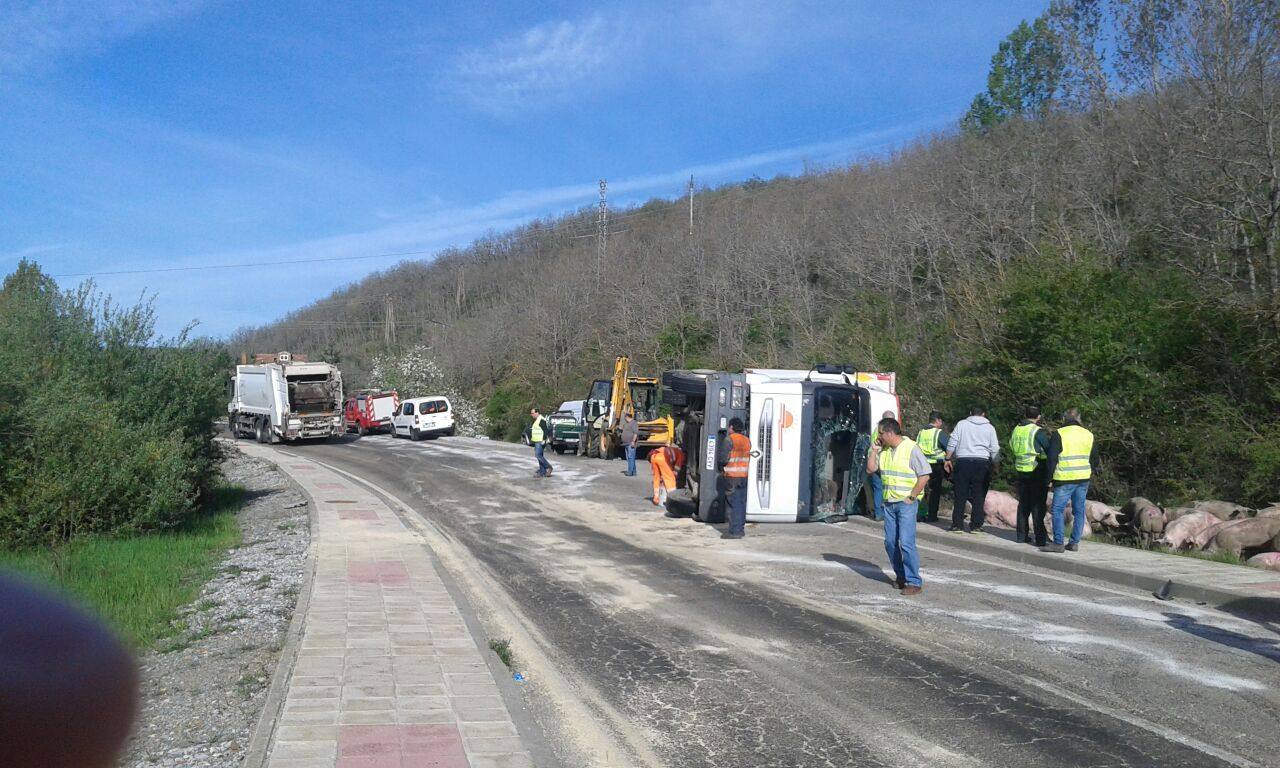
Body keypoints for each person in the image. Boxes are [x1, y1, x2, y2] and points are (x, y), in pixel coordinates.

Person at [866, 418, 931, 595]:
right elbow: (871, 469)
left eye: (880, 433)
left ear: (889, 432)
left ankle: (913, 581)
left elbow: (924, 475)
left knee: (906, 542)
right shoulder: (884, 450)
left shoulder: (911, 448)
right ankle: (901, 576)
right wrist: (874, 451)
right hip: (889, 503)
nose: (878, 436)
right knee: (890, 542)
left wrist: (912, 497)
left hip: (905, 504)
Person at [1042, 408, 1096, 553]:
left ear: (1064, 418)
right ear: (1079, 418)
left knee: (1057, 510)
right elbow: (1095, 459)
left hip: (1065, 478)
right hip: (1083, 478)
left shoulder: (1059, 433)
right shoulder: (1088, 434)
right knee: (1079, 511)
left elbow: (1052, 459)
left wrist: (1048, 479)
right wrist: (1089, 472)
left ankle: (1058, 543)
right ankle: (1074, 543)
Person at [944, 405, 1000, 533]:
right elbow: (995, 449)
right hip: (982, 463)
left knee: (960, 494)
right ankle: (976, 525)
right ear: (984, 414)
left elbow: (953, 442)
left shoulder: (962, 424)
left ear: (970, 413)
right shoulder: (990, 428)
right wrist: (996, 466)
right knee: (979, 495)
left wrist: (947, 459)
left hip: (963, 462)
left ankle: (957, 524)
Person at [1010, 405, 1051, 546]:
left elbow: (1012, 446)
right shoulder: (1037, 431)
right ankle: (1041, 539)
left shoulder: (1017, 429)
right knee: (1037, 506)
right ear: (1038, 417)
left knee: (1023, 505)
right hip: (1035, 470)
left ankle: (1021, 536)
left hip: (1021, 470)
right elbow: (1048, 449)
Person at [718, 417, 752, 539]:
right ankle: (740, 529)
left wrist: (720, 469)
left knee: (732, 503)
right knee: (741, 503)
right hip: (743, 476)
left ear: (731, 427)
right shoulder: (747, 440)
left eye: (729, 427)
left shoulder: (729, 440)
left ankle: (734, 531)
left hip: (732, 476)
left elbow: (723, 459)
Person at [914, 411, 949, 523]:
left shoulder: (921, 432)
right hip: (936, 465)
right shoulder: (939, 433)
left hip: (922, 464)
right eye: (941, 421)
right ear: (937, 420)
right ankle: (932, 515)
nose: (941, 423)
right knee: (935, 491)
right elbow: (949, 446)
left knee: (921, 489)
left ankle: (920, 513)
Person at [866, 410, 896, 521]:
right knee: (882, 488)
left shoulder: (877, 430)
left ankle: (879, 513)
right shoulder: (885, 432)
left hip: (875, 460)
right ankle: (881, 513)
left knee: (878, 488)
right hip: (881, 462)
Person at [527, 408, 553, 477]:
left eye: (532, 413)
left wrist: (544, 440)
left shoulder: (541, 420)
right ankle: (542, 472)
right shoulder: (537, 420)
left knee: (538, 455)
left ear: (537, 413)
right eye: (531, 413)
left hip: (540, 441)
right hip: (537, 440)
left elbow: (545, 430)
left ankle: (548, 467)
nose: (531, 415)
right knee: (540, 456)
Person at [621, 411, 640, 476]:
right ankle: (634, 472)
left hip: (630, 443)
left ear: (627, 417)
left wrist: (633, 441)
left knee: (630, 457)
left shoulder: (634, 423)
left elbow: (635, 433)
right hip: (626, 443)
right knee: (630, 457)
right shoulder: (627, 424)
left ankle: (630, 472)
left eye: (625, 417)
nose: (624, 419)